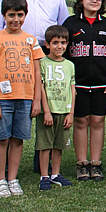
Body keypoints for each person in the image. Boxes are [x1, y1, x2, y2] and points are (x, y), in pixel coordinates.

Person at [0, 0, 69, 173]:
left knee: (45, 104)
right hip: (13, 53)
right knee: (14, 102)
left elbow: (63, 24)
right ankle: (3, 165)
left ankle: (42, 159)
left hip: (46, 51)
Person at [0, 0, 44, 198]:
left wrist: (36, 100)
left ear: (25, 15)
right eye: (11, 15)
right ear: (3, 15)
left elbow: (37, 73)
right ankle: (0, 180)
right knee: (2, 138)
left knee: (18, 139)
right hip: (3, 99)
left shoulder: (31, 41)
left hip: (25, 99)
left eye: (20, 14)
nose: (15, 19)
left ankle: (13, 179)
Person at [63, 0, 106, 182]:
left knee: (97, 121)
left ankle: (96, 163)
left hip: (101, 84)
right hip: (77, 85)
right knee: (80, 122)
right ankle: (82, 164)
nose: (95, 0)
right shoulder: (70, 24)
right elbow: (61, 53)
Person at [37, 25, 76, 191]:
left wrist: (71, 113)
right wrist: (46, 111)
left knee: (59, 145)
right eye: (55, 43)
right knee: (45, 145)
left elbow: (72, 89)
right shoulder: (42, 63)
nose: (59, 46)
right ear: (47, 44)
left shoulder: (70, 65)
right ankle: (44, 175)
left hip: (64, 111)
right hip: (48, 111)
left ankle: (56, 174)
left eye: (63, 43)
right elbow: (41, 87)